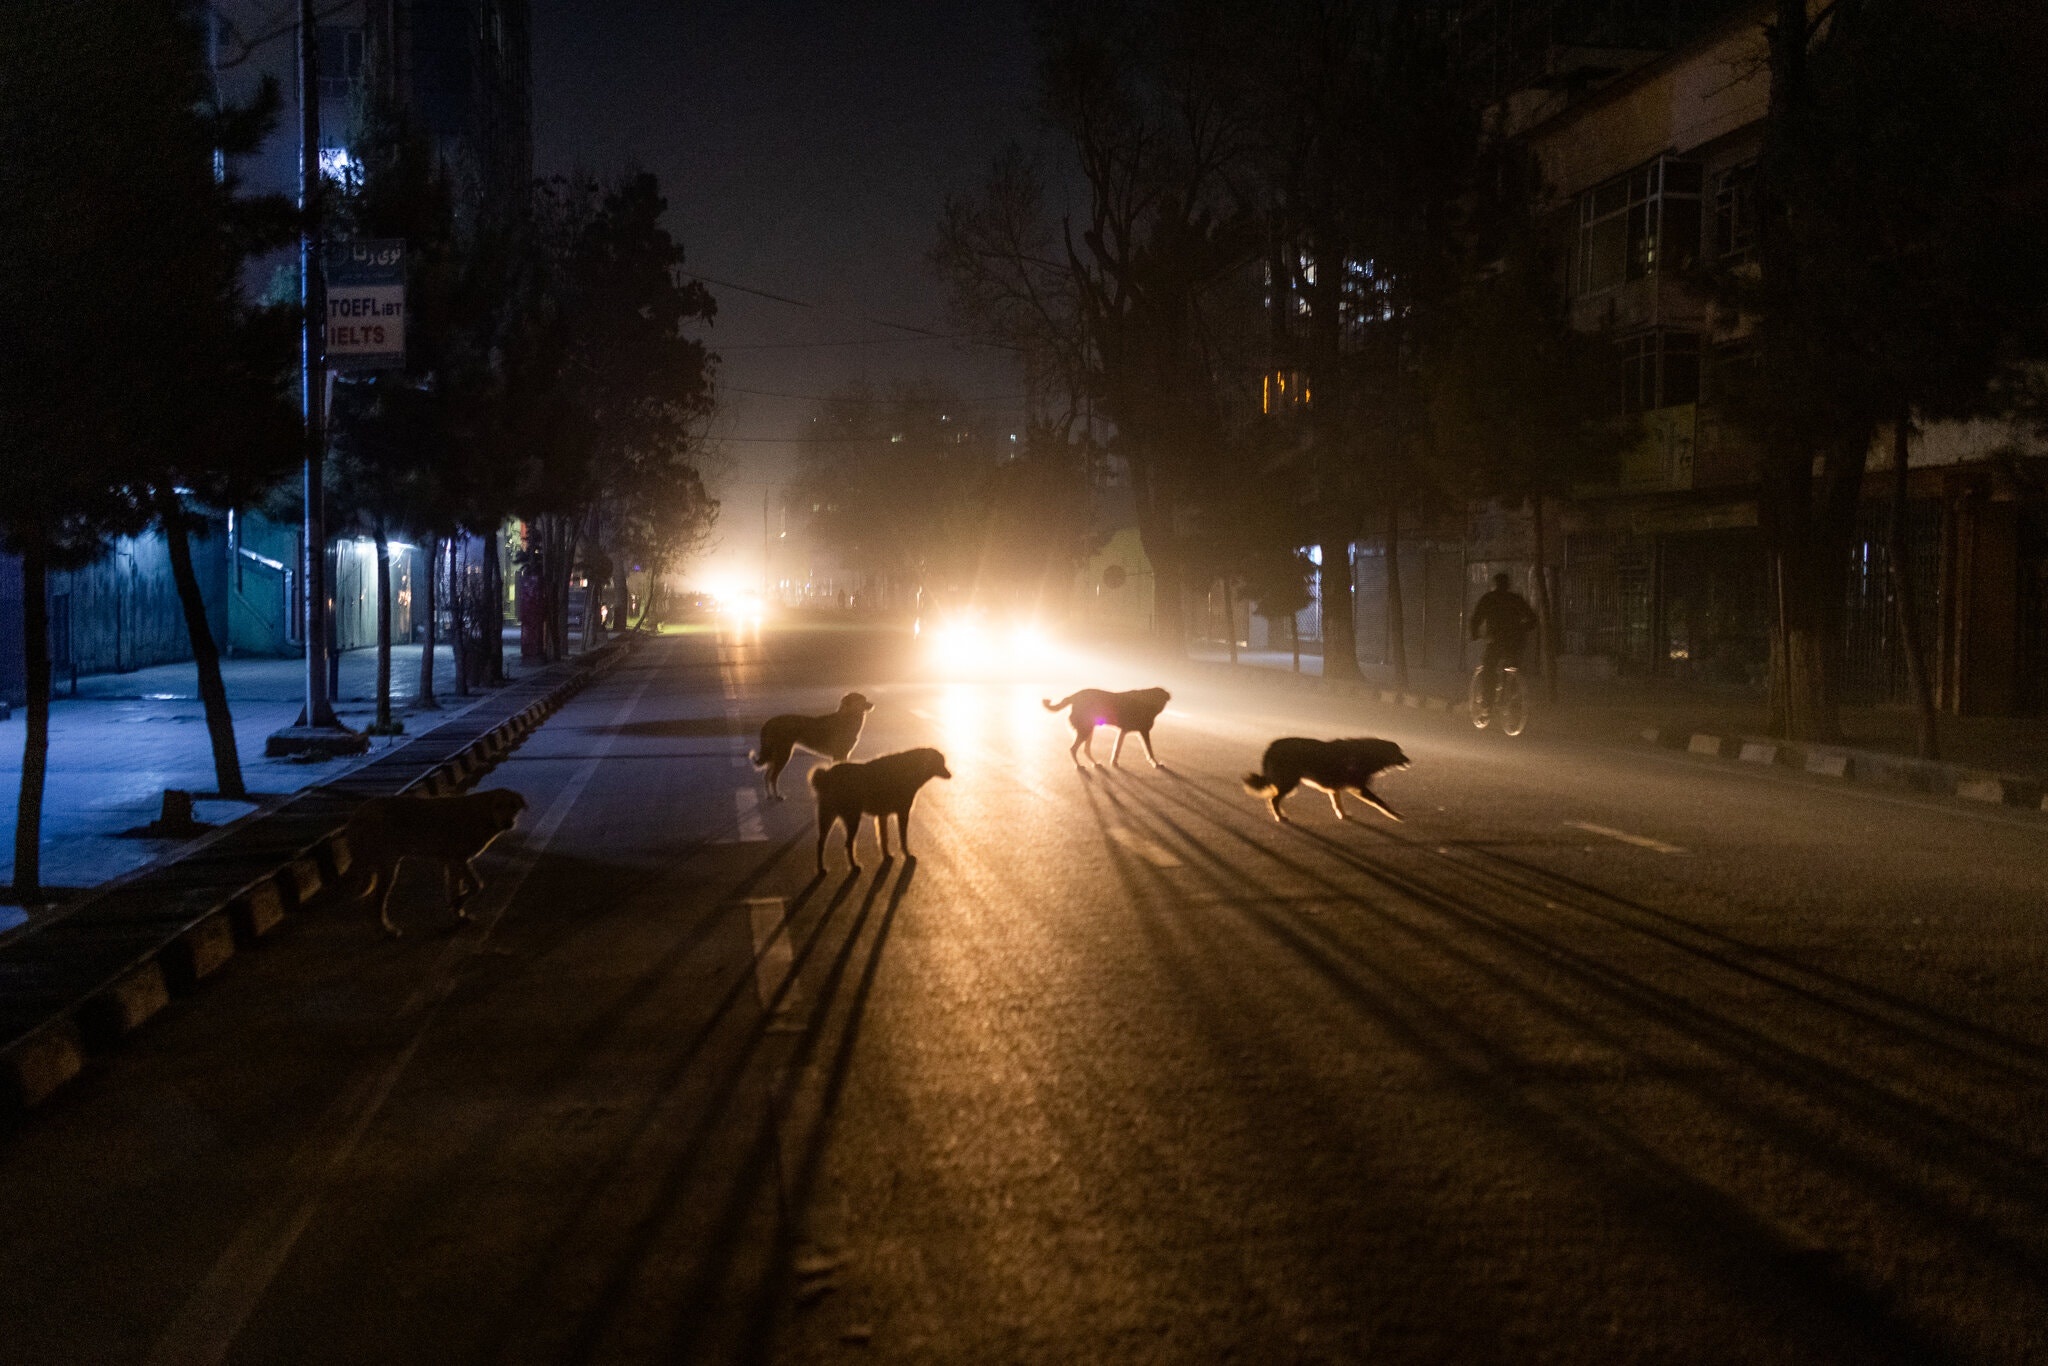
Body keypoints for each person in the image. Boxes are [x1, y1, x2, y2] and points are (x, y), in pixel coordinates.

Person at [1470, 572, 1539, 715]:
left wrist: (1475, 634)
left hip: (1496, 641)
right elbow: (1533, 619)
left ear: (1495, 584)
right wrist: (1520, 629)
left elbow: (1476, 618)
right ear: (1508, 585)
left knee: (1489, 667)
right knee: (1513, 665)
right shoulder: (1516, 599)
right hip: (1516, 642)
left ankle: (1487, 704)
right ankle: (1512, 693)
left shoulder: (1489, 599)